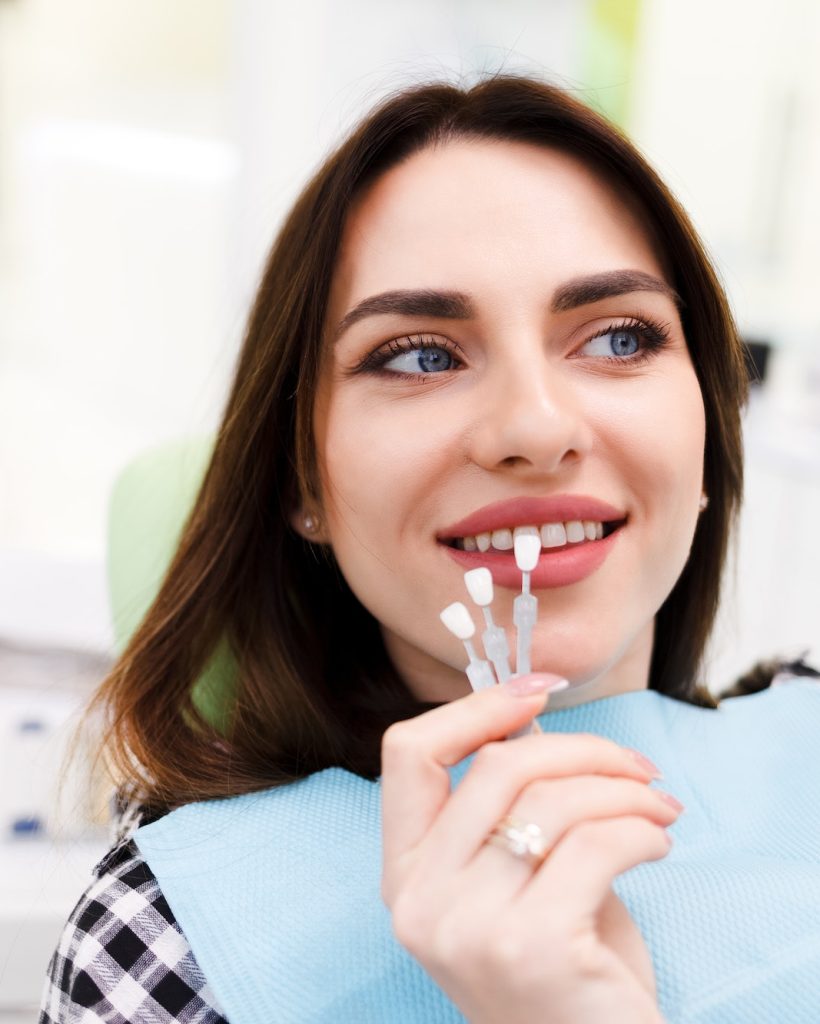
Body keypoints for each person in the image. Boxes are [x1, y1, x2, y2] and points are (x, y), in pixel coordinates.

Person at [41, 76, 820, 1024]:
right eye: (418, 355)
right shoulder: (167, 938)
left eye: (621, 337)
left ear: (706, 439)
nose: (535, 427)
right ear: (303, 483)